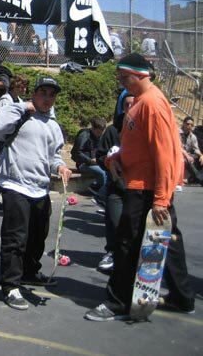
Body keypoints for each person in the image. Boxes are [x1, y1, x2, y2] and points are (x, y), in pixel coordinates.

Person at [85, 53, 195, 321]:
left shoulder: (153, 104)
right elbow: (137, 146)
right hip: (141, 185)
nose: (121, 82)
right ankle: (182, 298)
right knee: (167, 243)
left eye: (125, 77)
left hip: (146, 189)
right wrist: (115, 158)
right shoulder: (138, 103)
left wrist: (160, 198)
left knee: (126, 244)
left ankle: (118, 302)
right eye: (120, 77)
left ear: (142, 74)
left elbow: (166, 154)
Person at [0, 76, 72, 310]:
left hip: (40, 188)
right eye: (43, 93)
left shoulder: (53, 126)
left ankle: (29, 272)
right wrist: (23, 106)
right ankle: (11, 285)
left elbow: (54, 156)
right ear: (34, 94)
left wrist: (59, 167)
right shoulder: (19, 113)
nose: (48, 98)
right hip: (15, 184)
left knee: (38, 236)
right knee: (15, 238)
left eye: (52, 94)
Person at [94, 93, 134, 272]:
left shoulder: (144, 128)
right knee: (115, 221)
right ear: (121, 107)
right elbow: (100, 154)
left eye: (134, 104)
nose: (130, 108)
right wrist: (109, 162)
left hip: (137, 187)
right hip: (116, 187)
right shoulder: (112, 130)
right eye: (127, 105)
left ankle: (131, 257)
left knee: (134, 228)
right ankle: (112, 252)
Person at [0, 74, 29, 210]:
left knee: (9, 170)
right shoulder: (5, 100)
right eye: (22, 87)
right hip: (4, 139)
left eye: (26, 87)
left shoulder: (19, 100)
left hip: (16, 138)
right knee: (7, 170)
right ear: (15, 86)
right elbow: (3, 121)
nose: (24, 90)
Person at [71, 117, 108, 206]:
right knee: (102, 172)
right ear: (93, 128)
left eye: (101, 132)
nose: (99, 135)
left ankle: (102, 191)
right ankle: (99, 193)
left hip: (96, 162)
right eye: (98, 132)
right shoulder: (84, 135)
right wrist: (89, 160)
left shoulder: (101, 136)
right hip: (83, 163)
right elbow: (77, 152)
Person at [179, 116, 203, 185]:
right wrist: (187, 155)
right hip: (177, 154)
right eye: (187, 124)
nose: (189, 126)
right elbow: (179, 147)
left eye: (191, 125)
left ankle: (195, 178)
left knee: (197, 158)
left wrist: (201, 155)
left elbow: (196, 148)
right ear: (183, 123)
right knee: (187, 159)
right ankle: (199, 179)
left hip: (187, 154)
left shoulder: (192, 136)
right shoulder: (177, 132)